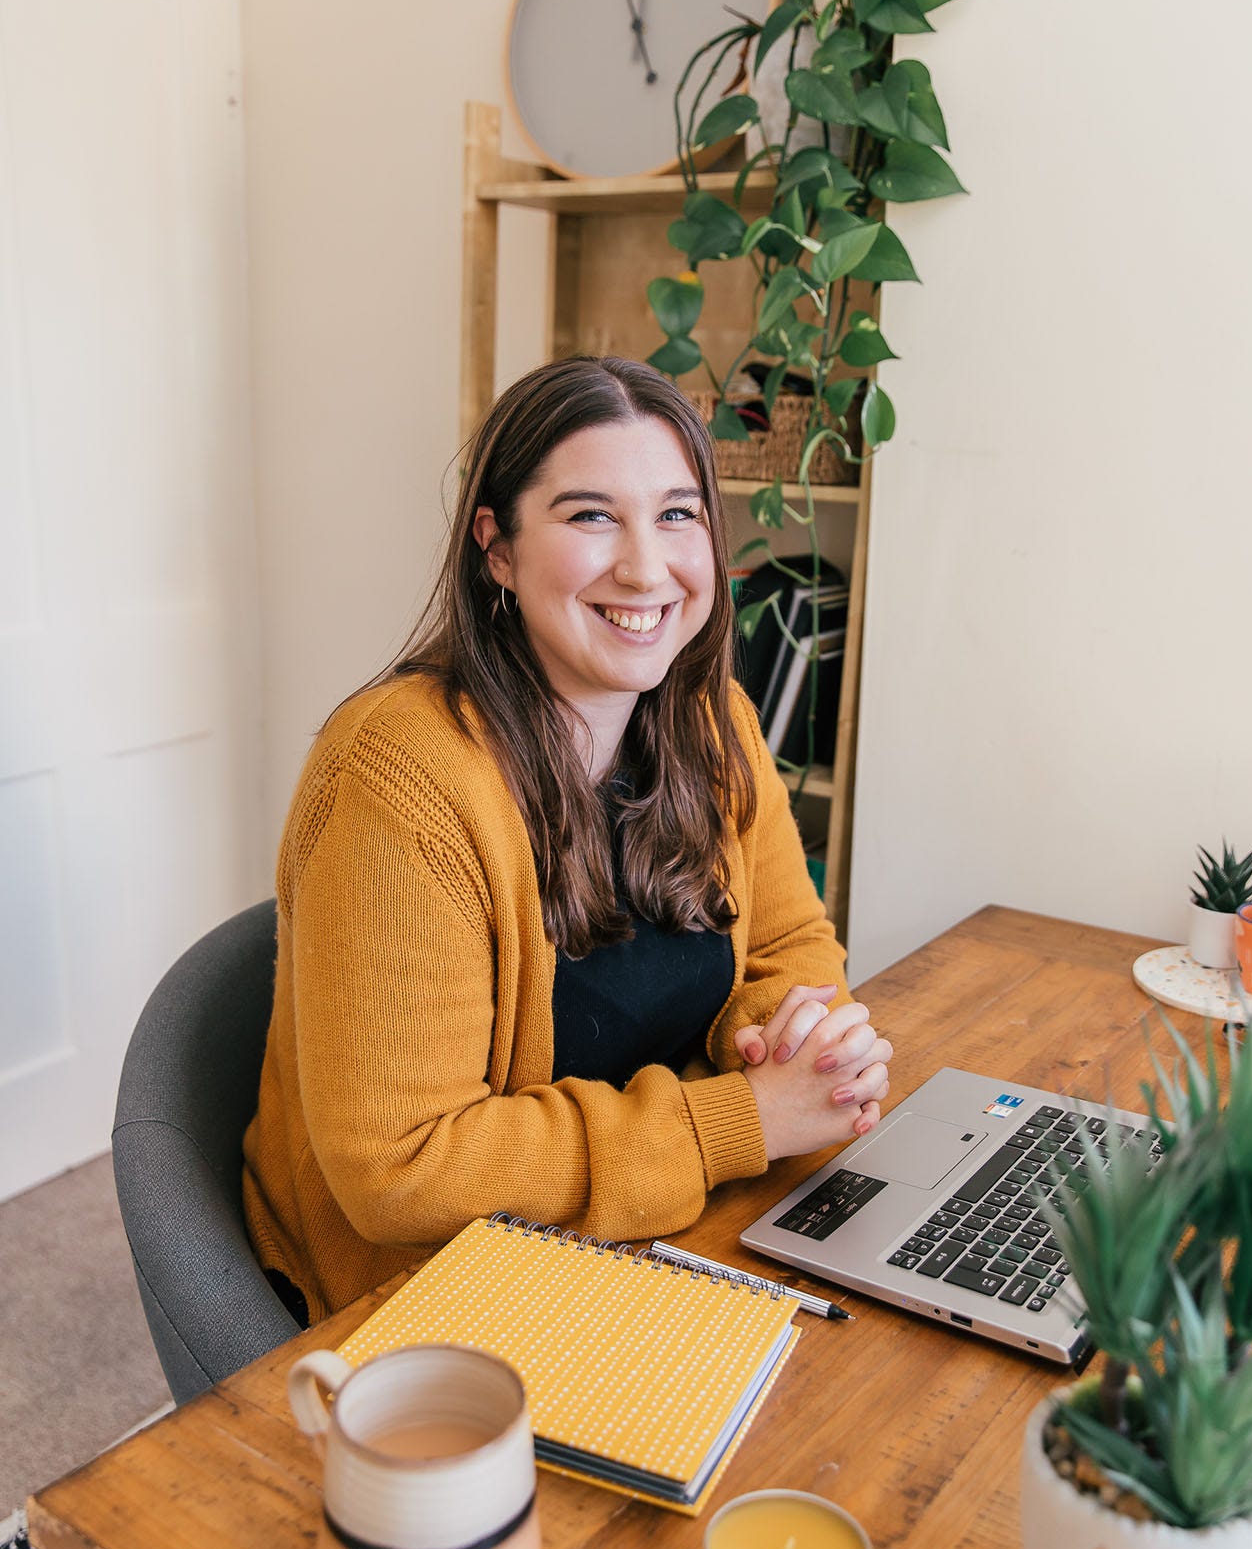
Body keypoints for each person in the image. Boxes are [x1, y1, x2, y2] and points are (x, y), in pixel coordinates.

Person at [243, 357, 890, 1325]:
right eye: (591, 516)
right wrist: (737, 1122)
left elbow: (788, 948)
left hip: (652, 1237)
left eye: (676, 514)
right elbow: (400, 1168)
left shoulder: (711, 719)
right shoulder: (397, 780)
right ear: (494, 548)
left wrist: (795, 1040)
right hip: (425, 1296)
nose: (645, 566)